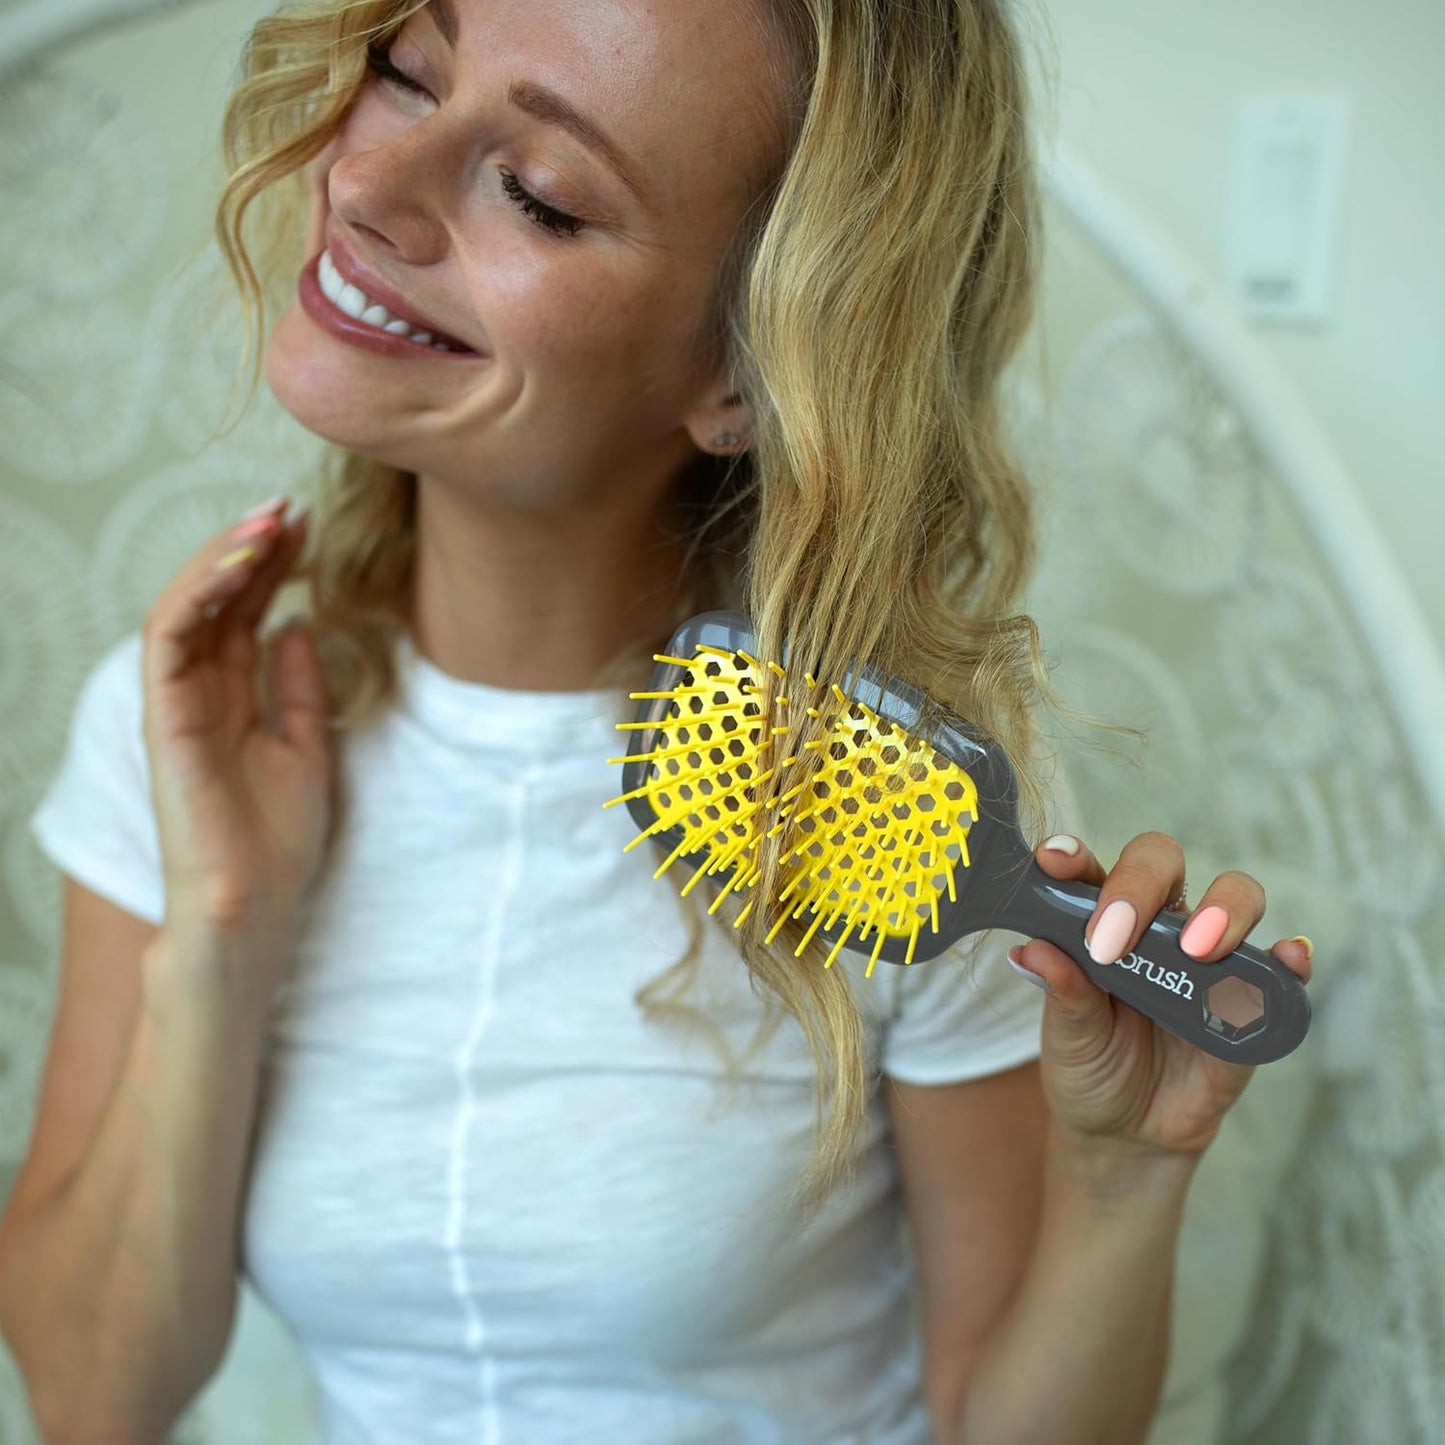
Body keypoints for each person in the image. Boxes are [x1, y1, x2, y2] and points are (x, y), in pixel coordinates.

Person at [0, 0, 1315, 1441]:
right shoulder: (201, 727)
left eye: (539, 196)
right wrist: (223, 928)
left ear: (746, 372)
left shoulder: (881, 807)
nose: (365, 185)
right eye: (404, 71)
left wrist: (1125, 1185)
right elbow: (92, 1401)